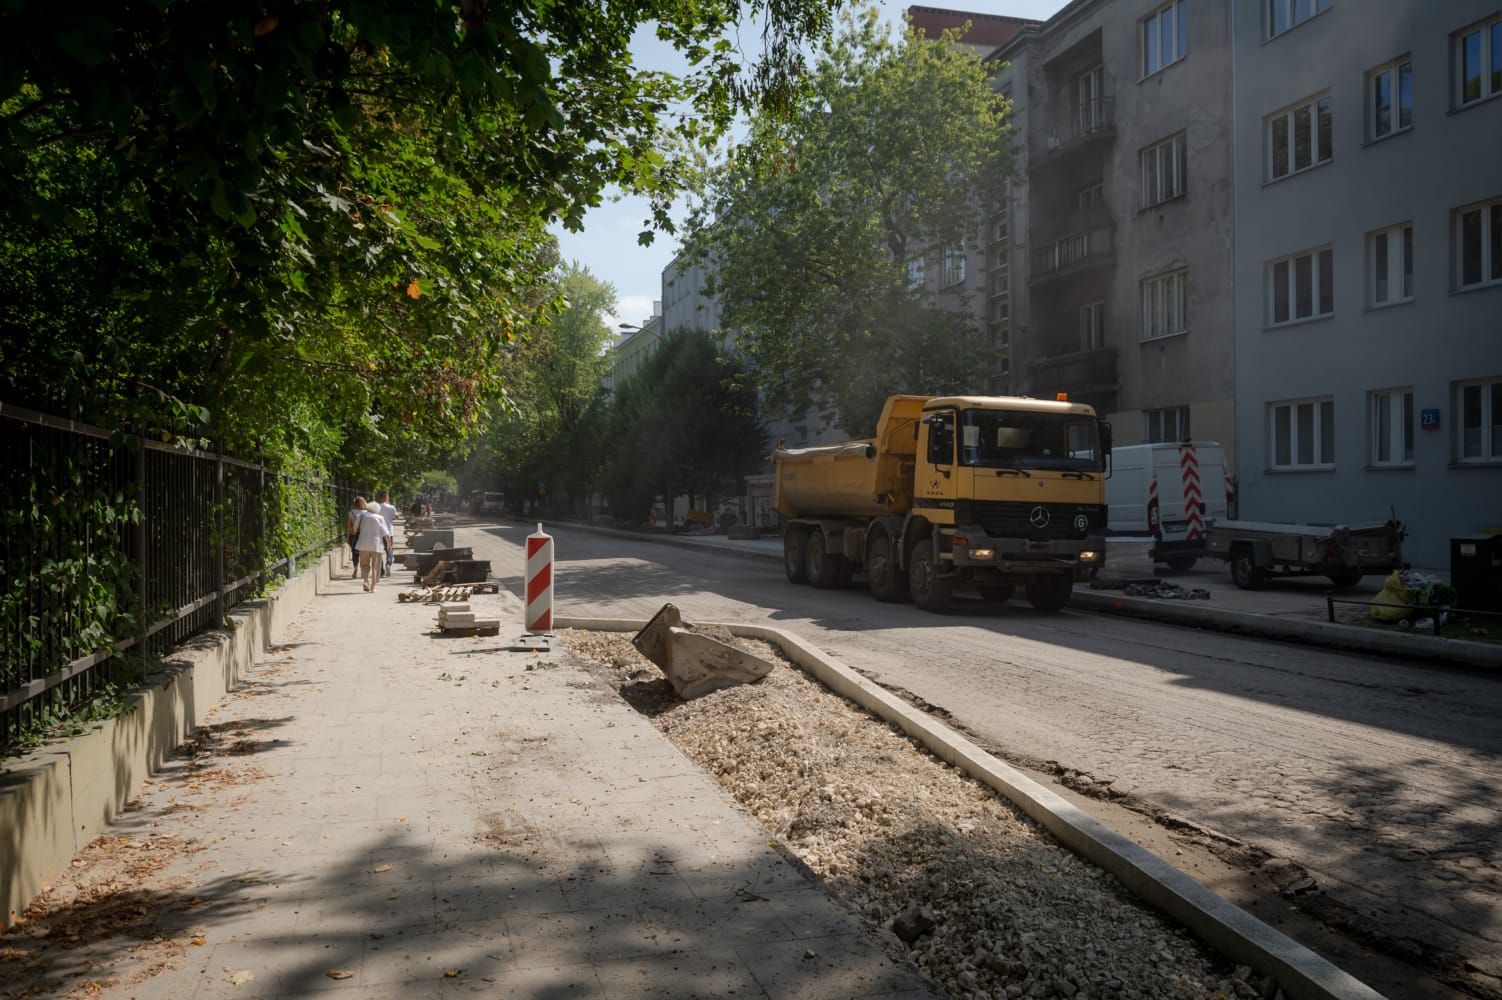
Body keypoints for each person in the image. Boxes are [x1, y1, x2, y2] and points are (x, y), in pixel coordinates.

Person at [354, 500, 392, 592]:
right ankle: (373, 587)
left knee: (364, 565)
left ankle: (366, 581)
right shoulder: (380, 518)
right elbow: (386, 533)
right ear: (377, 509)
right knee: (376, 566)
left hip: (363, 544)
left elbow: (355, 529)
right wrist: (389, 544)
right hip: (376, 545)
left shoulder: (361, 516)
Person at [345, 496, 367, 579]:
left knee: (355, 552)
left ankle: (355, 567)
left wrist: (347, 537)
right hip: (364, 535)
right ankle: (363, 570)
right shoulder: (367, 513)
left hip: (353, 535)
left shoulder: (351, 513)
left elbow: (348, 526)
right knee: (364, 553)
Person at [377, 492, 398, 576]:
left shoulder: (377, 507)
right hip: (389, 532)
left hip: (378, 532)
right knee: (389, 549)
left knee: (379, 552)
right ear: (386, 497)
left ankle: (381, 571)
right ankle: (388, 564)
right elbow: (396, 516)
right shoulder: (391, 507)